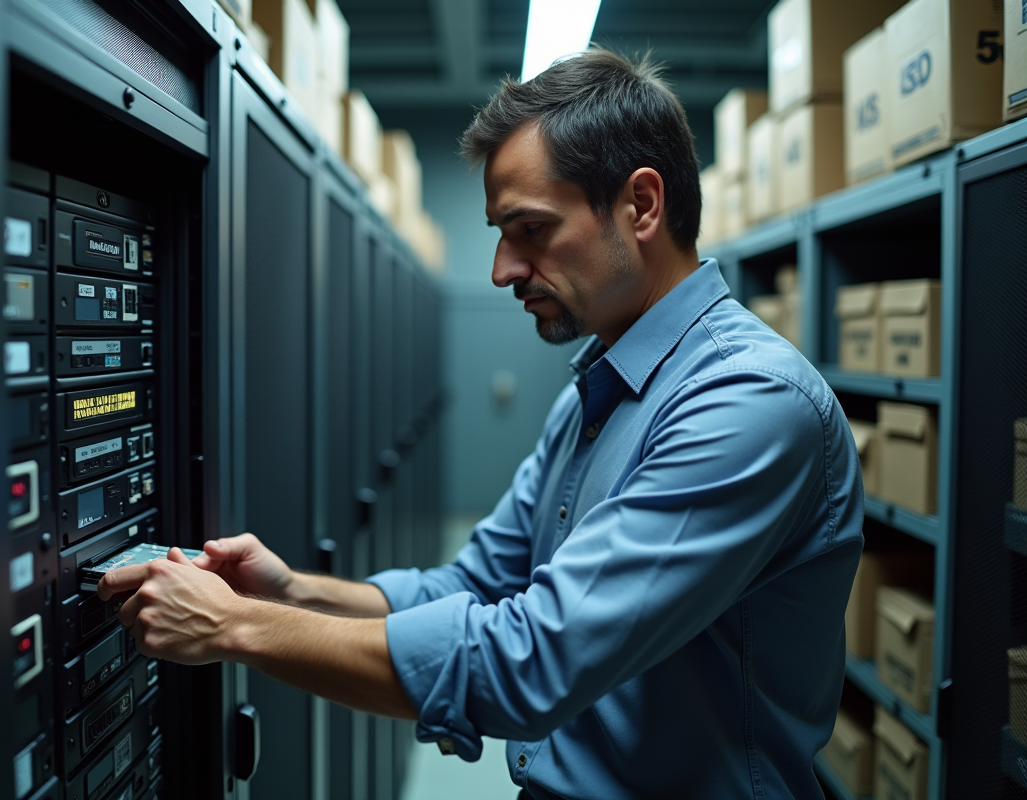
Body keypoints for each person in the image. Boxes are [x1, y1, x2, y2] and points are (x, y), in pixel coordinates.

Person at [99, 48, 864, 799]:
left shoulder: (746, 403)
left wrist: (237, 631)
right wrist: (289, 594)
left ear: (641, 205)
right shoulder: (595, 396)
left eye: (529, 229)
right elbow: (475, 584)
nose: (501, 269)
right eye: (501, 232)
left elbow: (531, 663)